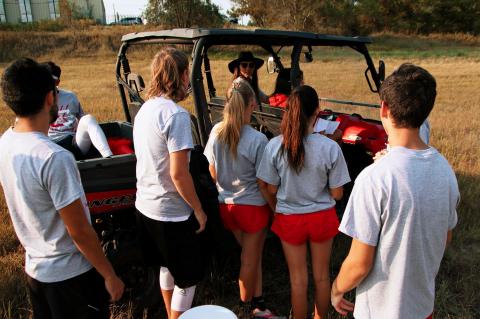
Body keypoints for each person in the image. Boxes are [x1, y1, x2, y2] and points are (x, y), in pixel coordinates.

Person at [331, 63, 459, 319]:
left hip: (379, 311)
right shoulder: (446, 171)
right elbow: (445, 238)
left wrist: (336, 289)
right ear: (426, 112)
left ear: (384, 108)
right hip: (422, 307)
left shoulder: (374, 177)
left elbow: (359, 263)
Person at [0, 58, 124, 318]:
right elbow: (79, 230)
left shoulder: (6, 142)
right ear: (49, 98)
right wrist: (109, 274)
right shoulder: (54, 157)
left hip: (36, 272)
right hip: (71, 277)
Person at [257, 85, 351, 319]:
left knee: (298, 281)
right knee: (321, 277)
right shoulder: (330, 147)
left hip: (289, 219)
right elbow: (338, 194)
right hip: (322, 218)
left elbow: (269, 188)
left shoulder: (275, 145)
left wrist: (276, 209)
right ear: (317, 112)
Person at [133, 48, 207, 319]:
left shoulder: (145, 109)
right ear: (182, 75)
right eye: (187, 73)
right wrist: (198, 209)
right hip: (171, 213)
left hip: (145, 205)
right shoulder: (176, 116)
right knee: (187, 279)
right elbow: (179, 174)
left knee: (165, 267)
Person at [204, 80, 279, 318]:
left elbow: (212, 170)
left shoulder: (216, 131)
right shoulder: (257, 140)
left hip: (226, 207)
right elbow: (263, 182)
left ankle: (259, 302)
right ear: (250, 105)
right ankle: (245, 308)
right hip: (253, 209)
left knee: (251, 256)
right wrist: (275, 208)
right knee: (249, 260)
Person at [44, 61, 113, 158]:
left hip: (73, 143)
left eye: (51, 81)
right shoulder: (36, 100)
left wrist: (78, 128)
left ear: (57, 82)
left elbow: (82, 119)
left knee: (88, 119)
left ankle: (110, 158)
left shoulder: (70, 96)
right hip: (49, 146)